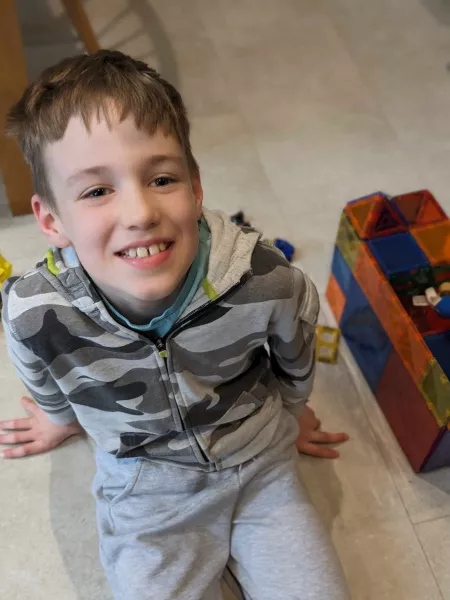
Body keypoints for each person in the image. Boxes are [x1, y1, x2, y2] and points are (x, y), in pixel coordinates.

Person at [0, 50, 349, 600]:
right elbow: (35, 362)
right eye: (96, 190)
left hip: (261, 470)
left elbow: (295, 349)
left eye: (162, 177)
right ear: (51, 219)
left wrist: (293, 410)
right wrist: (58, 416)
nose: (140, 211)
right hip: (146, 497)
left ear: (196, 186)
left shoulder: (267, 281)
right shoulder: (35, 311)